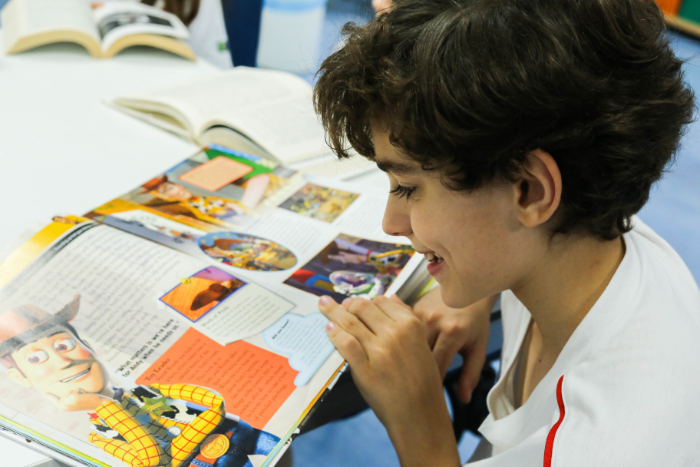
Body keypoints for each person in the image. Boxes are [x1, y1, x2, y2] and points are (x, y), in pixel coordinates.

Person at [311, 0, 700, 465]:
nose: (392, 224)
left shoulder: (601, 445)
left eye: (409, 188)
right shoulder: (585, 231)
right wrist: (475, 290)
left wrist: (423, 431)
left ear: (529, 190)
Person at [0, 295, 279, 467]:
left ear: (86, 344)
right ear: (19, 377)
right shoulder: (100, 434)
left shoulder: (145, 392)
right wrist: (102, 404)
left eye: (64, 345)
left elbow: (209, 402)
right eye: (36, 359)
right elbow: (152, 460)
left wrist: (205, 416)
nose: (64, 362)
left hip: (245, 433)